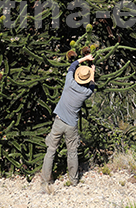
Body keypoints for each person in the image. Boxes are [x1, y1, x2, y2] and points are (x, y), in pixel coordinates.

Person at [40, 53, 95, 193]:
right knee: (72, 152)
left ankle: (46, 180)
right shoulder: (85, 92)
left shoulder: (69, 82)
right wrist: (92, 72)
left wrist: (85, 58)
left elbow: (72, 65)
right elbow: (92, 86)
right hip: (71, 125)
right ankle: (74, 180)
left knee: (51, 150)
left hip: (58, 122)